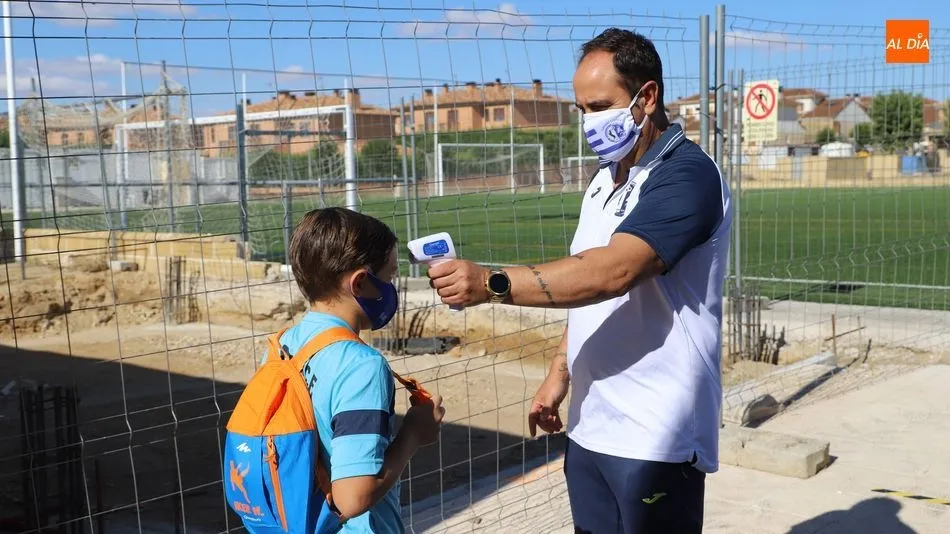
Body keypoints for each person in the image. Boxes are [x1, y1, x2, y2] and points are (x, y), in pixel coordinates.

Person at [427, 28, 731, 534]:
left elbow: (612, 272)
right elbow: (588, 291)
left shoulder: (688, 176)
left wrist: (492, 282)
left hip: (656, 437)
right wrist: (560, 372)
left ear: (648, 96)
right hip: (591, 428)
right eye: (581, 110)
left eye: (600, 105)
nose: (590, 122)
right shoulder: (603, 180)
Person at [284, 207, 445, 532]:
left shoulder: (285, 344)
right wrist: (414, 432)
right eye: (388, 276)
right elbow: (352, 498)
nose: (391, 287)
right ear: (360, 283)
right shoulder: (361, 367)